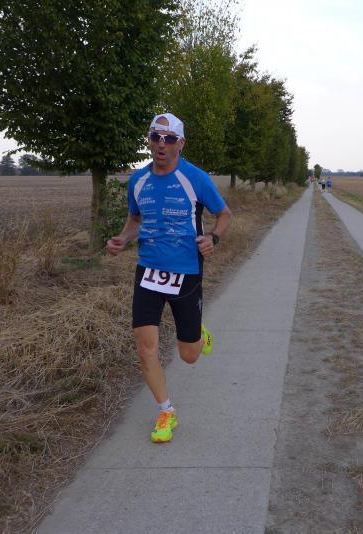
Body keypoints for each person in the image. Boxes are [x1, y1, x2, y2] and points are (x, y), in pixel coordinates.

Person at [107, 112, 232, 442]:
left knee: (189, 356)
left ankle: (197, 333)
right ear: (149, 140)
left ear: (180, 144)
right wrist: (123, 238)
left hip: (186, 271)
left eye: (169, 139)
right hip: (148, 271)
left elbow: (224, 214)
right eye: (156, 137)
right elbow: (135, 219)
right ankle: (166, 411)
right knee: (145, 347)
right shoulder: (138, 181)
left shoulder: (196, 178)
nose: (161, 144)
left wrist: (213, 238)